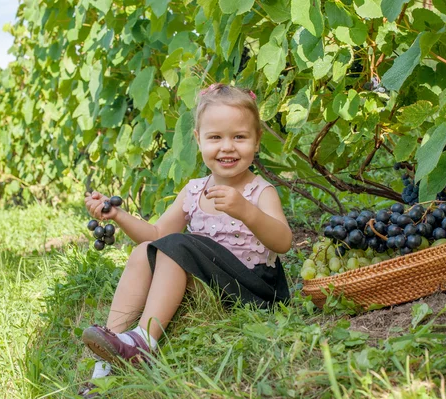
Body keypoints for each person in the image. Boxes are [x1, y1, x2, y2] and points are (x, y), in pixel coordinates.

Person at [79, 83, 292, 397]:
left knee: (178, 245)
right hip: (213, 281)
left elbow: (283, 241)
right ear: (198, 140)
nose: (227, 147)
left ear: (257, 140)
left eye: (240, 137)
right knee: (144, 251)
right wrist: (119, 217)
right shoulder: (193, 191)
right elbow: (155, 235)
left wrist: (246, 211)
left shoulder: (259, 191)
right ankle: (109, 357)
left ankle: (143, 345)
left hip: (252, 288)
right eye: (215, 137)